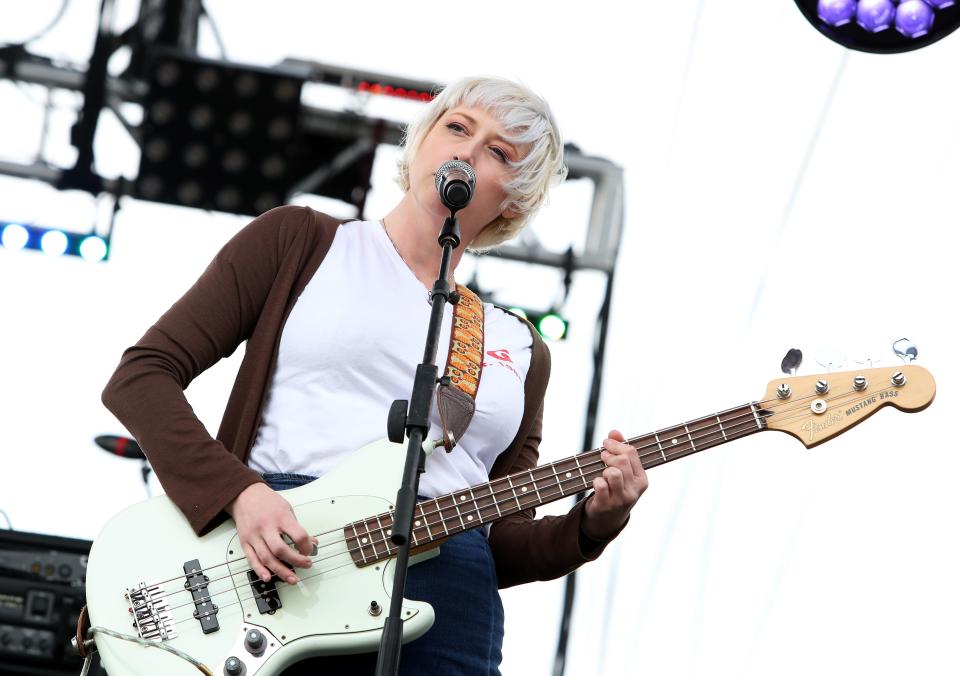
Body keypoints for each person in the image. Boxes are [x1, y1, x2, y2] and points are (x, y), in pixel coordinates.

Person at [102, 75, 647, 675]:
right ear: (420, 146)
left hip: (451, 614)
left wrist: (594, 523)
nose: (467, 149)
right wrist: (238, 492)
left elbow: (504, 542)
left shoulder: (521, 347)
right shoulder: (302, 242)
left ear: (512, 200)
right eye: (457, 127)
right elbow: (143, 376)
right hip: (282, 566)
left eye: (498, 151)